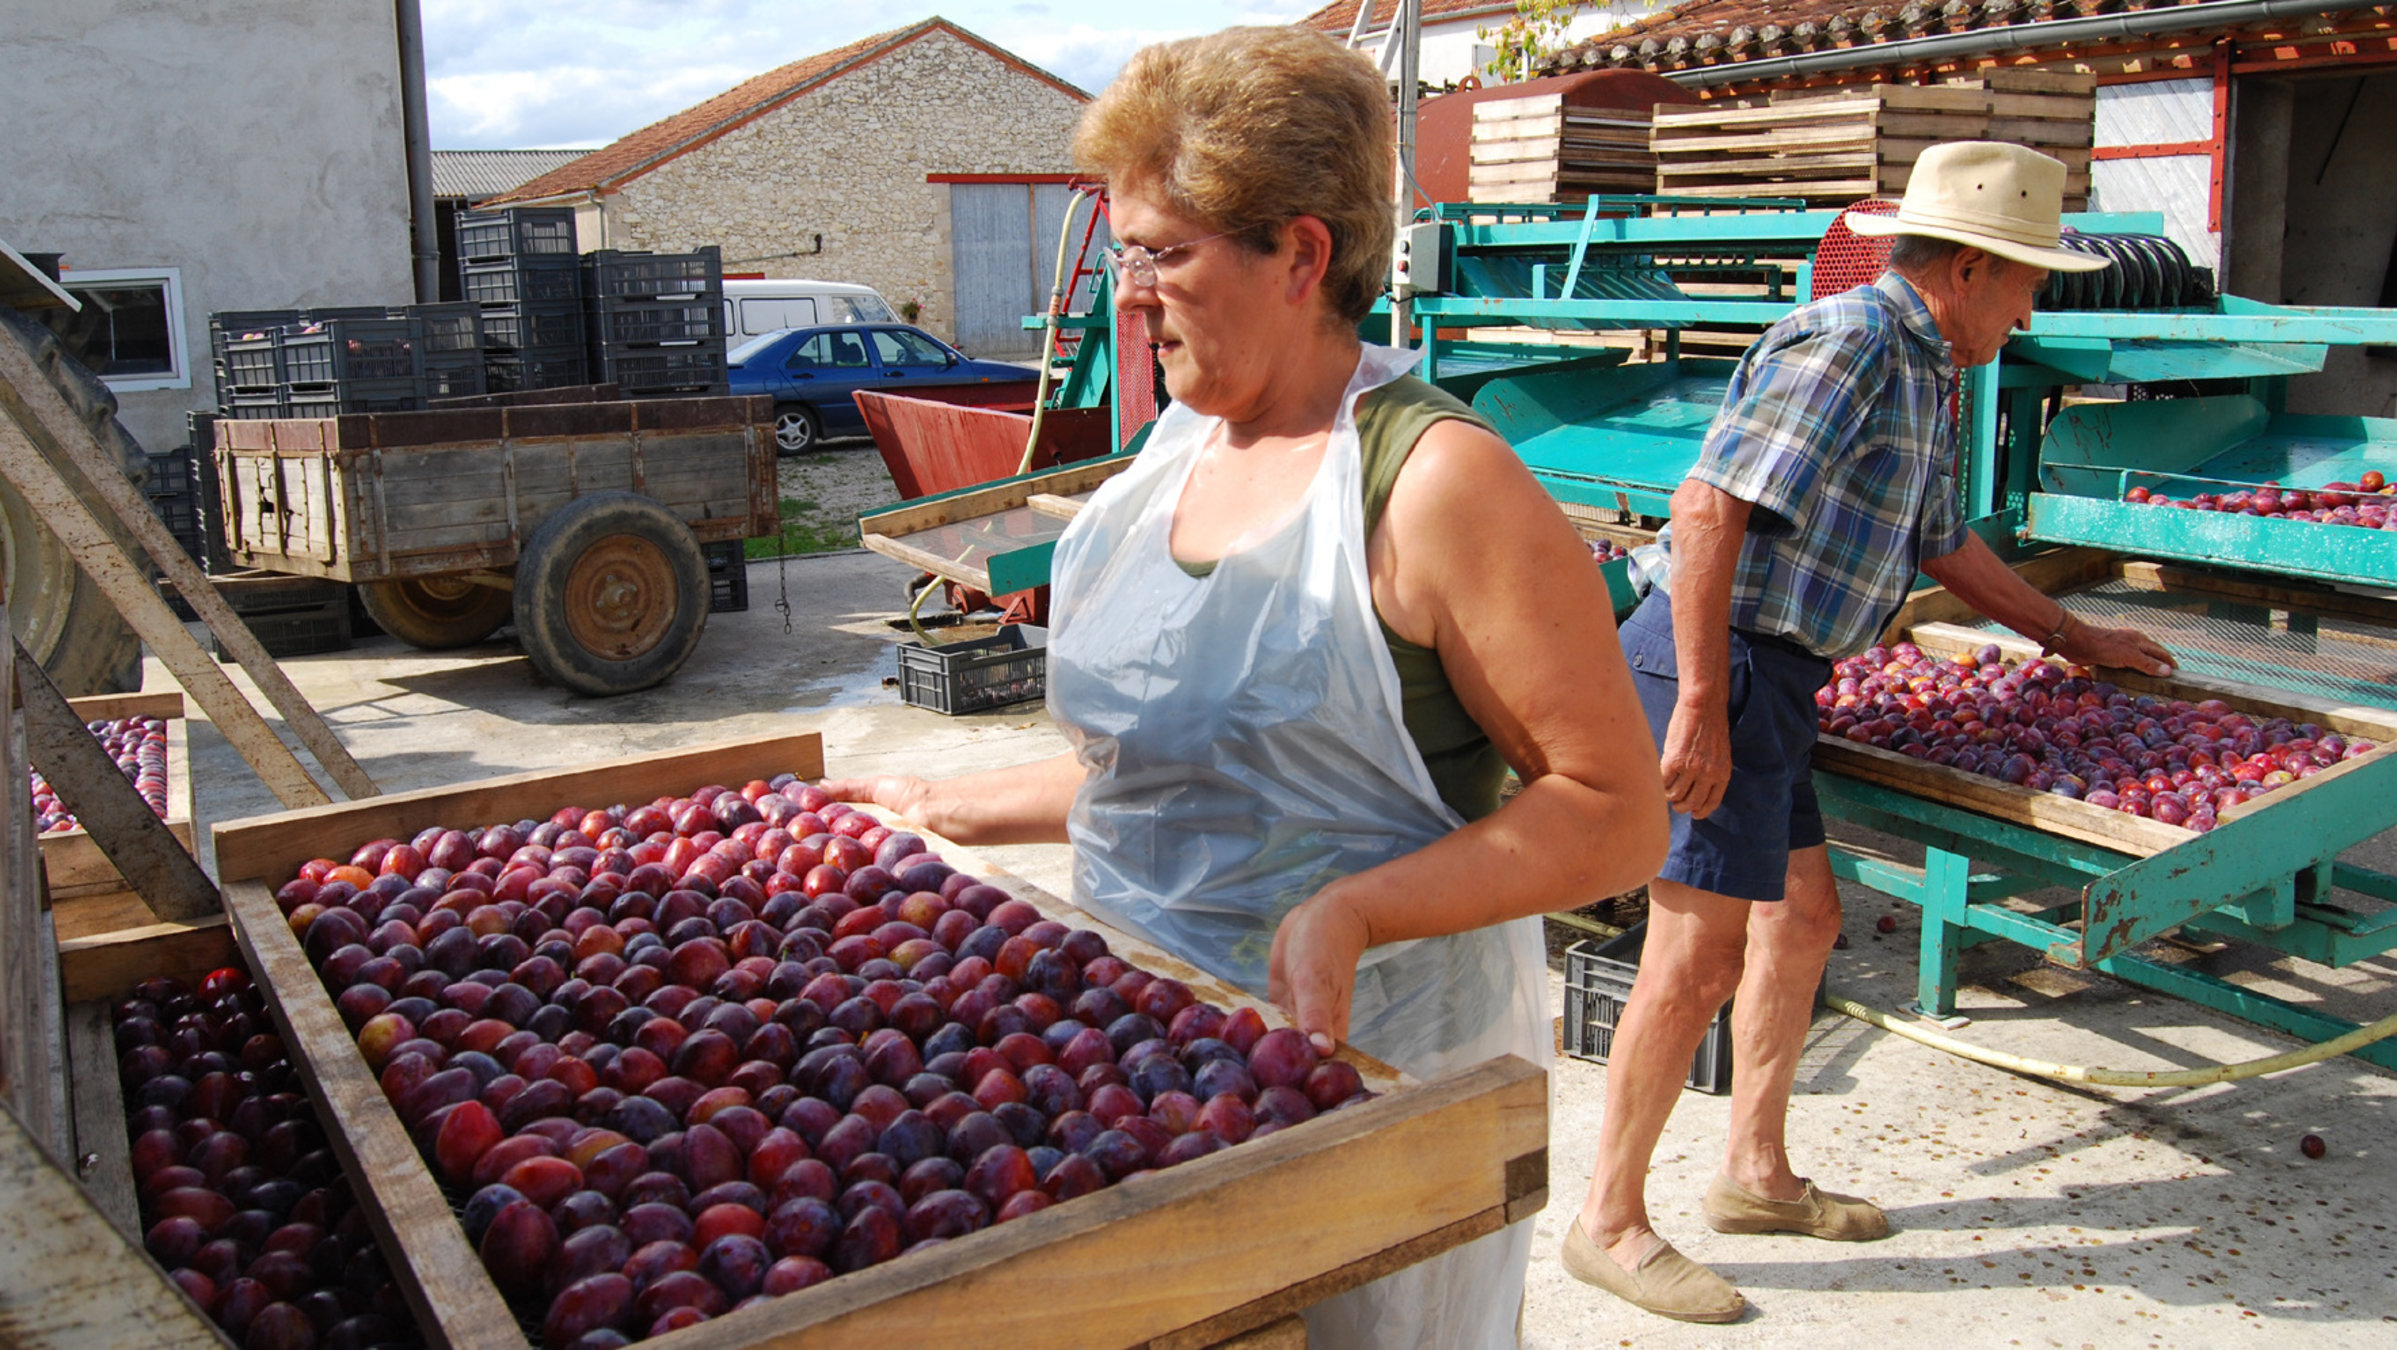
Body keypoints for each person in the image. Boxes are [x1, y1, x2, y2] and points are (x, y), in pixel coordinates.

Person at [820, 25, 1669, 1348]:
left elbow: (1616, 811)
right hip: (1136, 1071)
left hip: (1360, 1087)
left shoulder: (1434, 483)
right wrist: (937, 802)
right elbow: (1177, 763)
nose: (1129, 295)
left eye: (1163, 253)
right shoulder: (1175, 452)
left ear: (1302, 252)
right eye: (1123, 251)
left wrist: (1353, 914)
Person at [1563, 141, 2179, 1324]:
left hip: (1778, 678)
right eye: (2026, 283)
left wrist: (2069, 634)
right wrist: (1698, 702)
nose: (2030, 306)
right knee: (1691, 957)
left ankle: (1753, 1176)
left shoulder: (1928, 368)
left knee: (1804, 916)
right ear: (1966, 268)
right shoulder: (1851, 343)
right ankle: (1610, 1223)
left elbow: (1942, 541)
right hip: (1725, 663)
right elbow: (1705, 510)